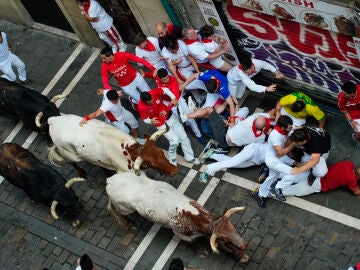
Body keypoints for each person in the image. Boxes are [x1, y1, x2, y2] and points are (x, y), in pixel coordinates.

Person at [140, 68, 206, 145]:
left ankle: (199, 135)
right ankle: (183, 128)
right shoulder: (158, 78)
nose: (167, 79)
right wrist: (146, 74)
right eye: (164, 79)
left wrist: (167, 109)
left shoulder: (173, 81)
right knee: (178, 119)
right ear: (160, 78)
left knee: (190, 118)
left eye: (167, 77)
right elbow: (154, 76)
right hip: (166, 102)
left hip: (177, 99)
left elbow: (175, 98)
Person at [137, 88, 200, 166]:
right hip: (160, 124)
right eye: (150, 103)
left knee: (184, 137)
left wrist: (173, 98)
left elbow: (165, 90)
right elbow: (145, 119)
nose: (152, 102)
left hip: (170, 116)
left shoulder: (153, 92)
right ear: (144, 102)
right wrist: (150, 121)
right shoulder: (141, 107)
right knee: (175, 141)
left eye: (152, 100)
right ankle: (172, 160)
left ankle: (189, 157)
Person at [270, 126, 331, 201]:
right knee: (304, 166)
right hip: (308, 152)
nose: (295, 144)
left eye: (298, 143)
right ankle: (272, 171)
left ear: (304, 141)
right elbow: (290, 135)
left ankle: (311, 173)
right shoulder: (298, 131)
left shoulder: (316, 142)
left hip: (322, 153)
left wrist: (299, 170)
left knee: (321, 172)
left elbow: (315, 160)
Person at [253, 115, 300, 208]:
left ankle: (260, 193)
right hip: (273, 161)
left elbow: (296, 127)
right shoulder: (275, 135)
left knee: (272, 178)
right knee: (292, 174)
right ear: (283, 127)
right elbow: (280, 152)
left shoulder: (285, 128)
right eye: (289, 127)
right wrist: (292, 145)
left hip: (276, 158)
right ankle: (277, 189)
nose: (291, 128)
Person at [162, 38, 207, 104]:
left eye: (176, 49)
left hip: (192, 63)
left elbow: (191, 59)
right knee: (190, 83)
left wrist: (197, 71)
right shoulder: (165, 51)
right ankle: (198, 100)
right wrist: (177, 79)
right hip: (183, 68)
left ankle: (209, 91)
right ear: (168, 49)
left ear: (177, 44)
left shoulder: (181, 44)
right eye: (173, 52)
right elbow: (171, 66)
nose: (176, 52)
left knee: (203, 75)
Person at [281, 160, 360, 197]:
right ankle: (274, 191)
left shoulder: (349, 163)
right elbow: (356, 192)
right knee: (294, 190)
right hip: (317, 184)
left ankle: (274, 173)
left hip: (316, 172)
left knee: (292, 175)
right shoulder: (352, 179)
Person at [199, 142, 268, 183]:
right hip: (254, 150)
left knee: (233, 163)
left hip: (257, 160)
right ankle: (207, 171)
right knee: (232, 162)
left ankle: (212, 154)